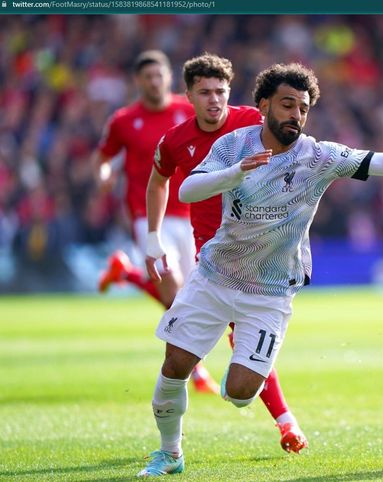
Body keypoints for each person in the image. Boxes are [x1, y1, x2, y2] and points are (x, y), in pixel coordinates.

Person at [136, 62, 383, 477]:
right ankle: (170, 453)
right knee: (174, 366)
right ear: (265, 104)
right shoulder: (234, 146)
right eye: (288, 105)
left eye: (303, 109)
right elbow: (185, 189)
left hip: (269, 293)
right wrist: (235, 172)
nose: (296, 116)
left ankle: (247, 391)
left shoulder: (319, 156)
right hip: (214, 276)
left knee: (239, 394)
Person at [144, 53, 307, 454]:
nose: (214, 100)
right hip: (211, 252)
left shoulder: (255, 121)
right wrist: (152, 235)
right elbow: (158, 182)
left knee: (243, 346)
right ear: (188, 96)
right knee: (184, 356)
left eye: (220, 91)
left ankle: (282, 419)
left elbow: (298, 158)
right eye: (204, 92)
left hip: (259, 253)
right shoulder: (176, 140)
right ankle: (280, 422)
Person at [92, 50, 219, 394]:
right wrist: (104, 175)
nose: (154, 82)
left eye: (159, 75)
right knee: (174, 288)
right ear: (138, 81)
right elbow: (104, 157)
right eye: (147, 77)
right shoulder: (123, 120)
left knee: (189, 294)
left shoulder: (187, 109)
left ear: (168, 77)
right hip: (150, 215)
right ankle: (195, 369)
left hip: (193, 213)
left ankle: (127, 273)